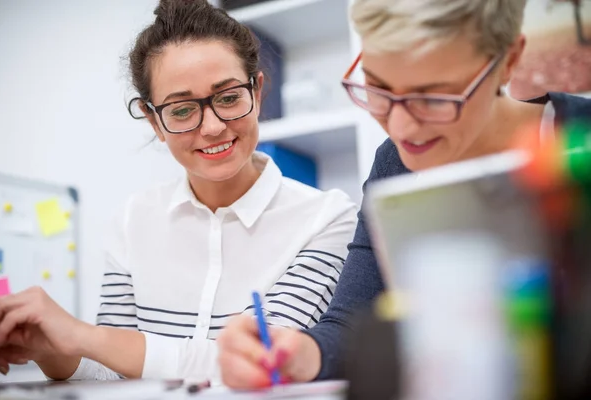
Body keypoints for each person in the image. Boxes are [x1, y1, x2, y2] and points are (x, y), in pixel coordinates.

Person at [216, 0, 591, 389]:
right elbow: (350, 322)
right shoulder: (395, 162)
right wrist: (298, 352)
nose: (401, 127)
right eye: (378, 88)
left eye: (432, 97)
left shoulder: (582, 139)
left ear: (509, 60)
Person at [0, 0, 357, 383]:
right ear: (154, 121)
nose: (213, 126)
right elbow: (111, 371)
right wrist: (52, 351)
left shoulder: (326, 219)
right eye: (182, 110)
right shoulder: (134, 219)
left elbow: (262, 364)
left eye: (229, 97)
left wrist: (83, 336)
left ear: (258, 92)